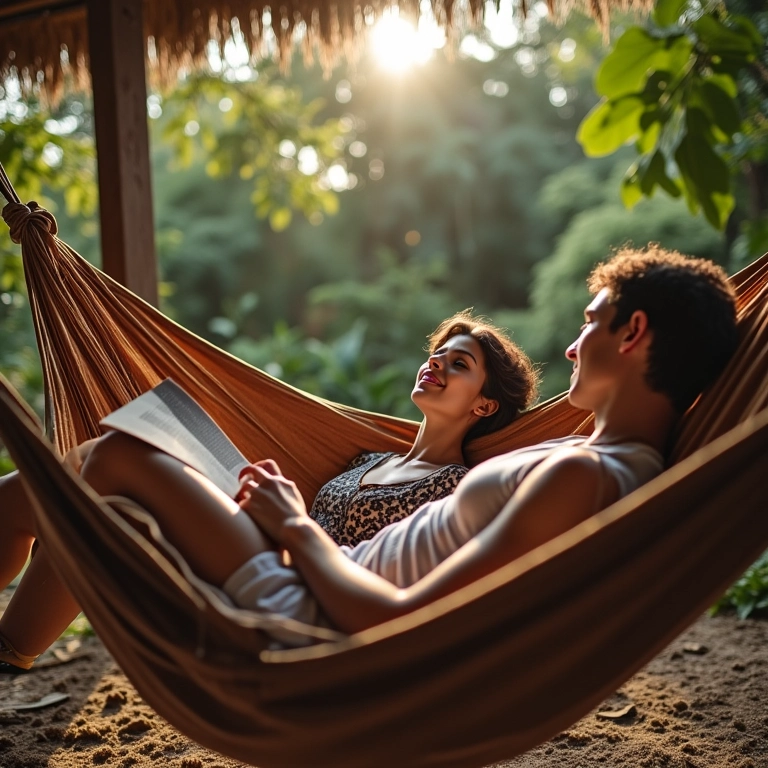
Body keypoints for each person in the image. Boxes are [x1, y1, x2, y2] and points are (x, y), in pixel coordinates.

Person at [1, 246, 739, 659]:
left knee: (109, 463)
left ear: (633, 333)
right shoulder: (602, 465)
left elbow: (402, 622)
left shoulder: (583, 474)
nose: (574, 346)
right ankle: (9, 652)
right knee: (105, 481)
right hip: (312, 573)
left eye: (589, 325)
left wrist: (294, 529)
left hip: (309, 607)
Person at [0, 310, 538, 671]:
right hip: (260, 542)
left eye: (459, 364)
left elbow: (390, 577)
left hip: (293, 585)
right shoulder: (368, 458)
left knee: (111, 457)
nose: (436, 363)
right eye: (438, 354)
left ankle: (11, 650)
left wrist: (288, 522)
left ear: (483, 406)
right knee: (46, 482)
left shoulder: (460, 488)